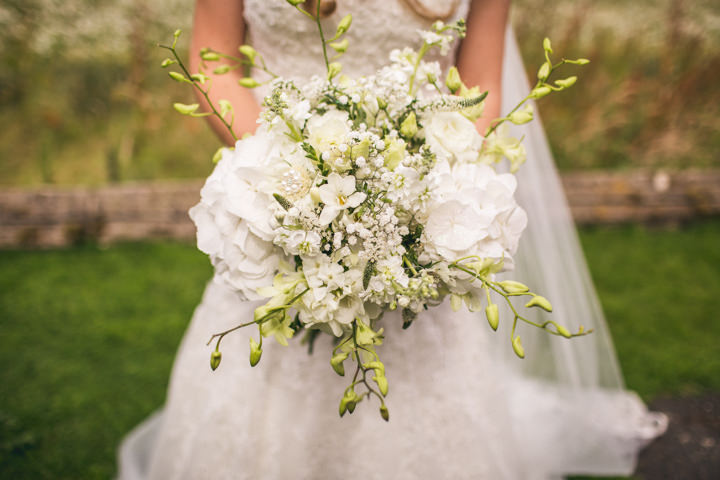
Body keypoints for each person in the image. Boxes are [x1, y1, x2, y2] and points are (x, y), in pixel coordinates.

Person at [118, 1, 667, 478]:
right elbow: (210, 56)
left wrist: (424, 196)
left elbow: (482, 83)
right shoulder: (284, 178)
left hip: (416, 201)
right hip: (281, 186)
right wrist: (288, 175)